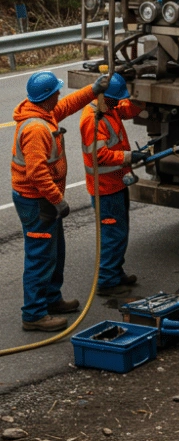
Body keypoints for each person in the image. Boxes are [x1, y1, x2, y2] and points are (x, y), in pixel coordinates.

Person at [11, 70, 110, 331]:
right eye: (56, 91)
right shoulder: (36, 129)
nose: (59, 94)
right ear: (46, 98)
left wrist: (93, 88)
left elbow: (68, 104)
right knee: (40, 257)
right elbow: (36, 172)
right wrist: (58, 201)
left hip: (44, 200)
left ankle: (51, 300)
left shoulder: (45, 112)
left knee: (55, 252)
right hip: (38, 201)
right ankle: (33, 315)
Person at [79, 72, 145, 296]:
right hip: (105, 189)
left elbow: (128, 109)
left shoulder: (109, 108)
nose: (119, 102)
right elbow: (101, 156)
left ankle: (115, 272)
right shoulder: (93, 119)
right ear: (105, 97)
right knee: (112, 234)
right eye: (117, 99)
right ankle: (107, 280)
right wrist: (129, 157)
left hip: (116, 184)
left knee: (120, 231)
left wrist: (140, 94)